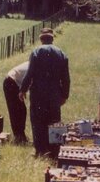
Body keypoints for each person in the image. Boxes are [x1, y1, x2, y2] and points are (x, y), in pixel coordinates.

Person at [19, 28, 70, 156]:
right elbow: (66, 78)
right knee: (54, 121)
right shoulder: (61, 53)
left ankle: (40, 150)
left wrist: (23, 89)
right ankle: (54, 150)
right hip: (54, 94)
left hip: (38, 93)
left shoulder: (36, 52)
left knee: (38, 121)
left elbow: (30, 73)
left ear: (41, 39)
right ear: (52, 38)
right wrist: (64, 95)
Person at [3, 61, 29, 143]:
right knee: (16, 110)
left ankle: (21, 135)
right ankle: (18, 137)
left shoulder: (34, 64)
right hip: (11, 81)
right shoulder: (35, 66)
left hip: (15, 83)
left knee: (22, 110)